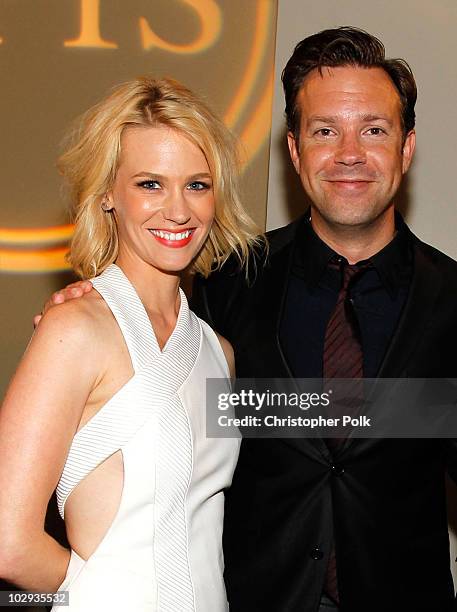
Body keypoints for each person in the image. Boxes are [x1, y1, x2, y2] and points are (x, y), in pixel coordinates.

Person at [33, 27, 457, 612]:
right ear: (294, 150)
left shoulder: (454, 301)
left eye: (375, 131)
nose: (349, 153)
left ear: (407, 148)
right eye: (325, 131)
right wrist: (97, 300)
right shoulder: (222, 284)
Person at [0, 76, 261, 611]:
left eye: (197, 184)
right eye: (149, 184)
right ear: (107, 196)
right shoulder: (75, 329)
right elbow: (9, 544)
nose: (178, 211)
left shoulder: (218, 351)